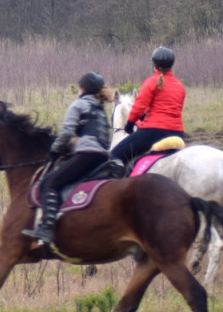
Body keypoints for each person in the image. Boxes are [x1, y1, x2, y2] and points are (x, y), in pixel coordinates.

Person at [22, 72, 113, 246]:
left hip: (87, 154)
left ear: (83, 89)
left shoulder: (78, 105)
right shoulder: (100, 109)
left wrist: (54, 151)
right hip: (103, 157)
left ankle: (46, 229)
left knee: (49, 183)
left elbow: (66, 133)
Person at [109, 46, 186, 172]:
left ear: (154, 64)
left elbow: (139, 107)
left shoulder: (151, 82)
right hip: (178, 134)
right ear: (172, 65)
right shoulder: (180, 86)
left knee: (115, 155)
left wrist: (129, 125)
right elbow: (172, 110)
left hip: (153, 133)